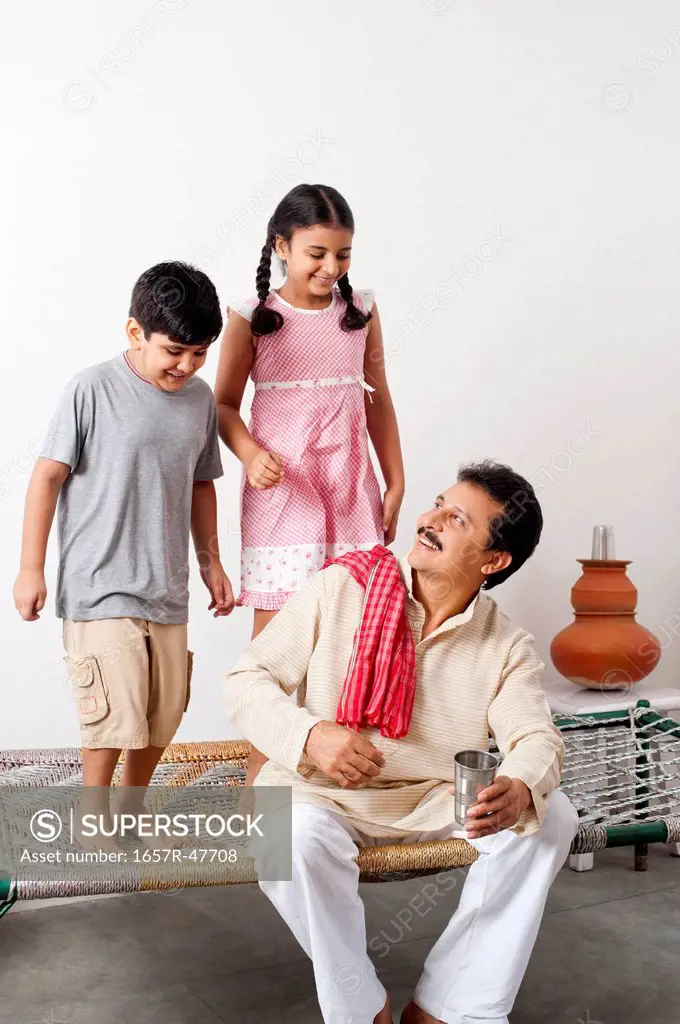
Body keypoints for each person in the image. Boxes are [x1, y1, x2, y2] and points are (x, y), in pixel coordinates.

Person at [224, 461, 579, 1024]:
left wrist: (520, 785)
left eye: (456, 518)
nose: (430, 519)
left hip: (430, 799)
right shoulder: (342, 587)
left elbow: (536, 736)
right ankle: (361, 1006)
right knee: (284, 838)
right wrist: (310, 735)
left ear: (493, 560)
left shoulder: (504, 643)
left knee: (551, 814)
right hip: (316, 793)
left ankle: (451, 1007)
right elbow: (246, 681)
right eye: (438, 502)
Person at [13, 261, 235, 842]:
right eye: (175, 351)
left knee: (164, 711)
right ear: (135, 333)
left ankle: (129, 810)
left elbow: (200, 483)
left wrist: (211, 563)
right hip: (98, 581)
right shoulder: (91, 388)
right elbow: (46, 477)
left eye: (200, 354)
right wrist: (31, 567)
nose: (186, 366)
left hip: (168, 585)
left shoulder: (198, 400)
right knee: (114, 706)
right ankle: (93, 813)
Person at [215, 183, 405, 787]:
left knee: (348, 636)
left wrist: (394, 480)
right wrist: (249, 452)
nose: (331, 268)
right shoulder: (253, 318)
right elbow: (221, 406)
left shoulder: (362, 312)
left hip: (350, 488)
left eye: (343, 255)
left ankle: (325, 793)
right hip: (283, 495)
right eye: (317, 253)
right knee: (273, 654)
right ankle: (257, 800)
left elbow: (377, 401)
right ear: (282, 246)